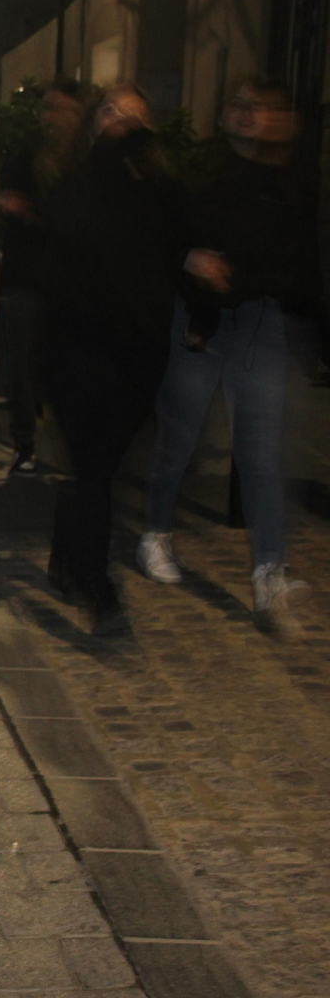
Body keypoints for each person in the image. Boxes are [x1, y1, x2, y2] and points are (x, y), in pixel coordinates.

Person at [137, 77, 320, 628]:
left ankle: (269, 570)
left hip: (258, 321)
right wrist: (192, 270)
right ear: (223, 116)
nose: (249, 114)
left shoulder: (291, 183)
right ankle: (156, 532)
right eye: (239, 104)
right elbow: (166, 242)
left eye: (261, 107)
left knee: (260, 449)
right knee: (181, 438)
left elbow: (296, 263)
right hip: (202, 322)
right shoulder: (197, 176)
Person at [43, 84, 192, 634]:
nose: (123, 123)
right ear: (90, 123)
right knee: (96, 469)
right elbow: (62, 262)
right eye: (111, 112)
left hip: (139, 351)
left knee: (96, 469)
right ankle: (96, 584)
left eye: (137, 115)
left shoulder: (165, 191)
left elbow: (182, 250)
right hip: (79, 349)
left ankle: (66, 558)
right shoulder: (73, 188)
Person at [0, 79, 85, 474]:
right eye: (46, 108)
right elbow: (3, 195)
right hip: (26, 275)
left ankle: (65, 442)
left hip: (70, 279)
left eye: (60, 109)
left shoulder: (87, 161)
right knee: (21, 366)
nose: (51, 118)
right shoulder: (27, 154)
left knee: (64, 364)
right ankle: (24, 441)